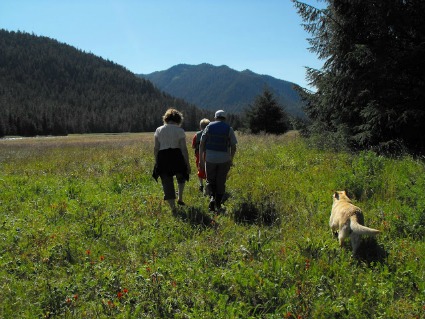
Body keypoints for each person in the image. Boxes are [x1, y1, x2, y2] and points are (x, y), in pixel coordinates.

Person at [153, 108, 191, 212]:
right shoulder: (180, 131)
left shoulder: (158, 130)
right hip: (176, 155)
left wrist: (157, 161)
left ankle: (173, 208)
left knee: (166, 181)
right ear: (178, 119)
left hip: (163, 156)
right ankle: (180, 198)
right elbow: (184, 148)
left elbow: (156, 148)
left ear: (166, 118)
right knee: (181, 175)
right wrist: (187, 163)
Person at [199, 110, 237, 212]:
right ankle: (218, 204)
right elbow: (234, 147)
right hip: (224, 159)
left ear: (215, 117)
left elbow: (202, 144)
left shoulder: (208, 127)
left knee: (210, 180)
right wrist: (231, 160)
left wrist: (201, 161)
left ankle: (211, 198)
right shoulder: (229, 129)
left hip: (210, 159)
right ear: (224, 118)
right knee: (221, 181)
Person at [192, 118, 210, 193]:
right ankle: (207, 185)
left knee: (200, 169)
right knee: (208, 170)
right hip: (209, 154)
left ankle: (201, 185)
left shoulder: (197, 135)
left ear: (200, 126)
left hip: (199, 154)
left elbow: (193, 146)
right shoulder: (210, 134)